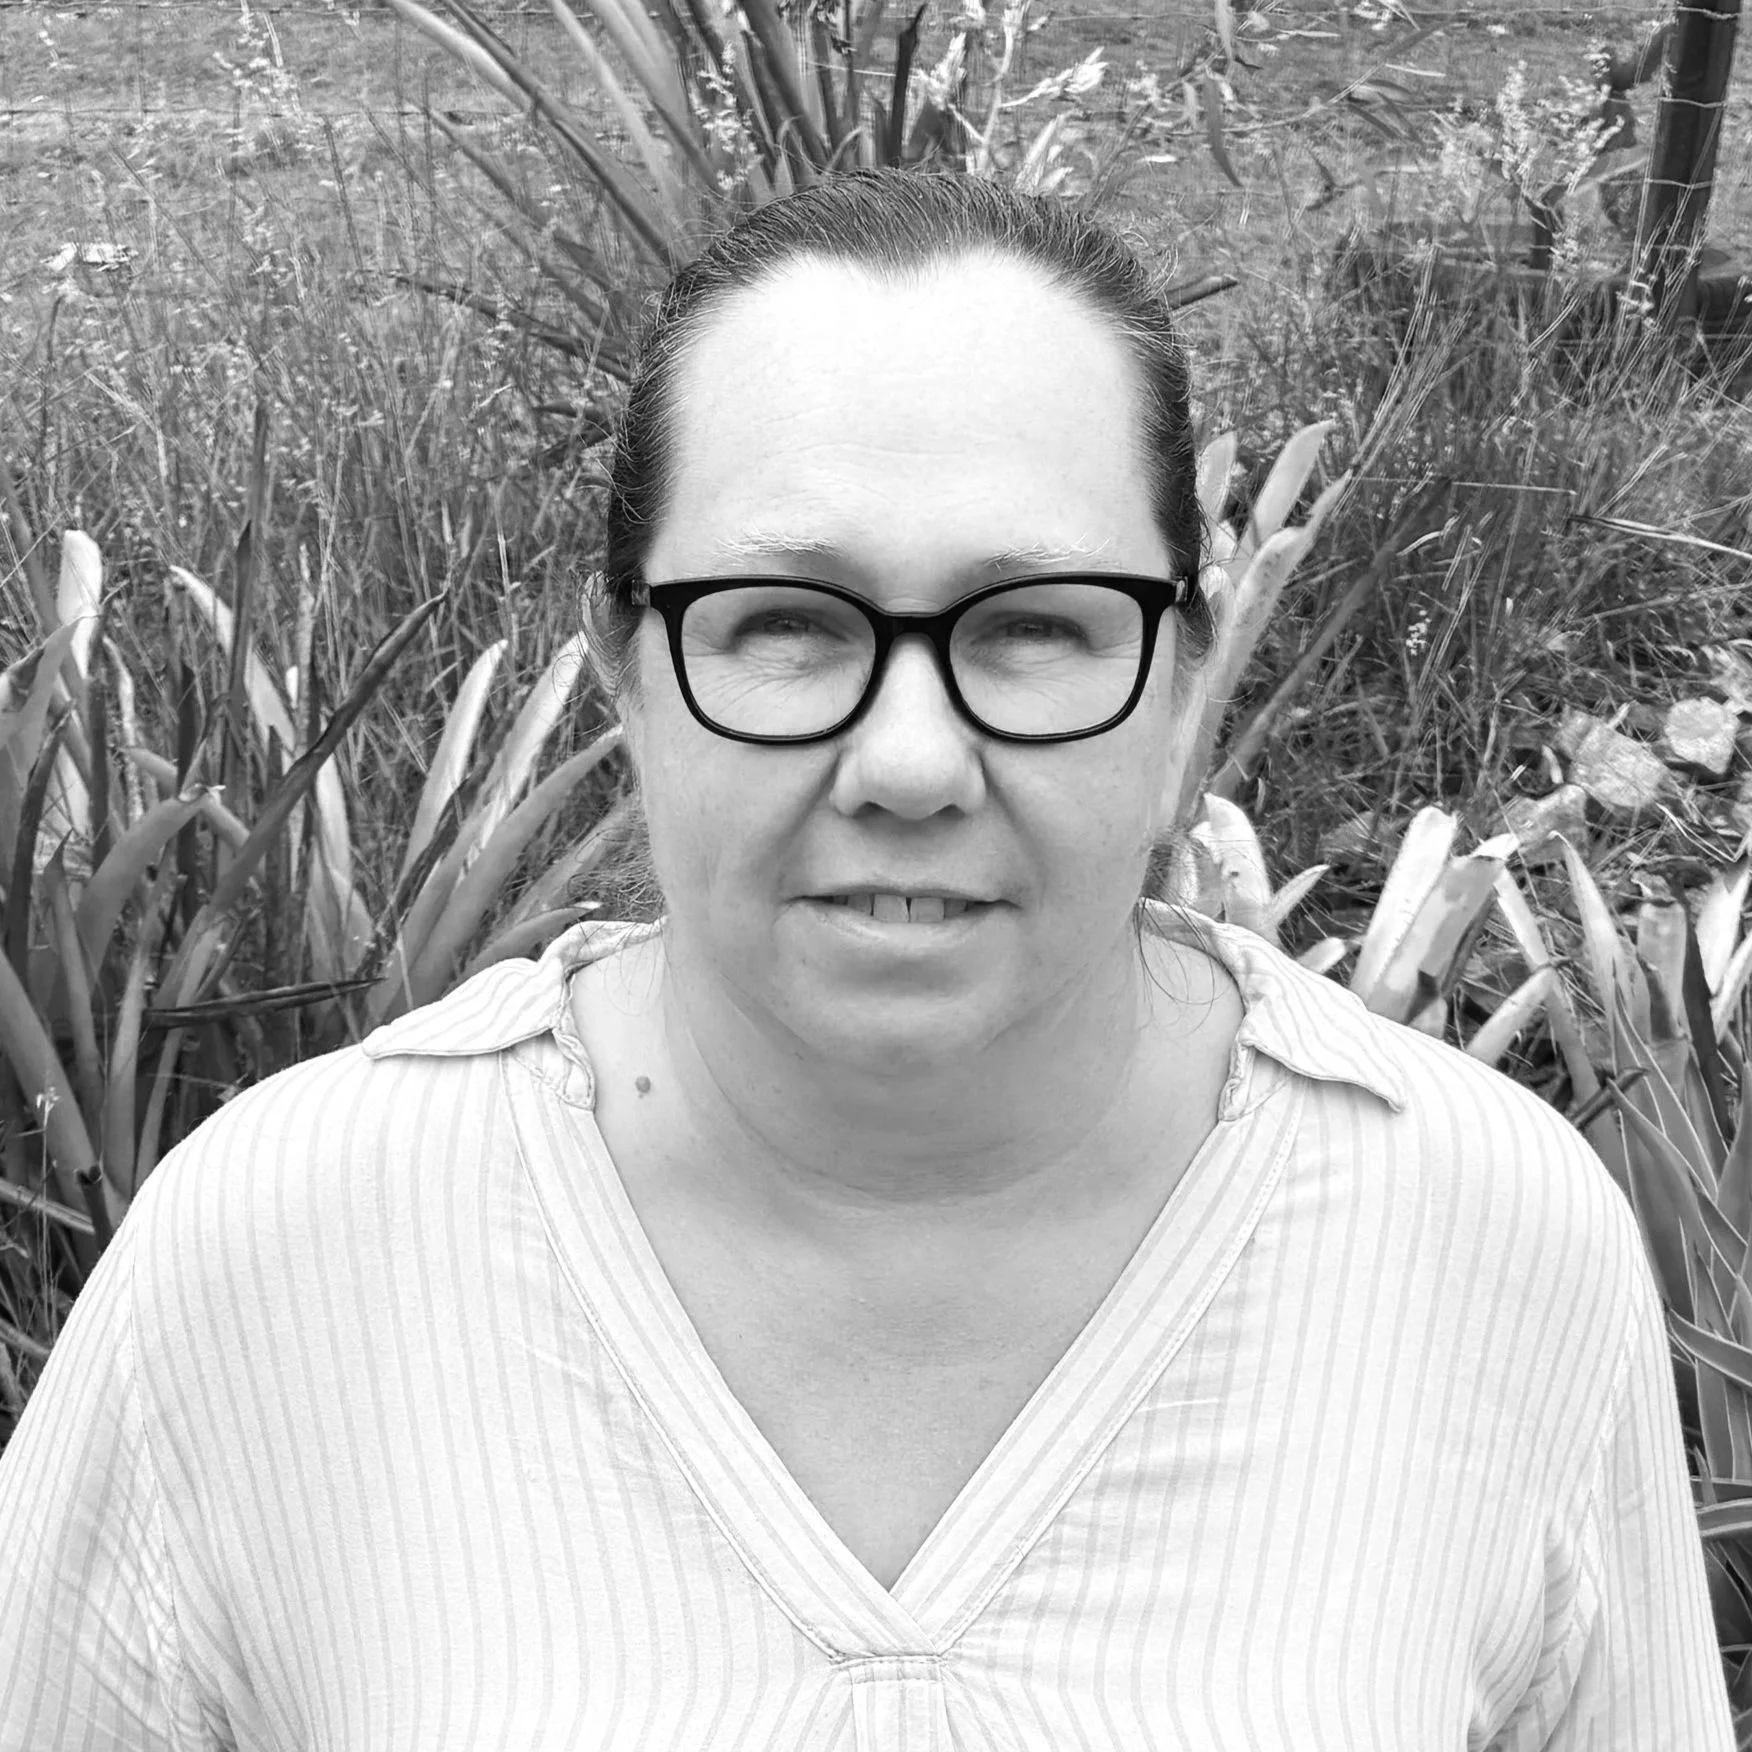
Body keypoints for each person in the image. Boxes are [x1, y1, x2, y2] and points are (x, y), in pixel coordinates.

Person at [0, 169, 1731, 1751]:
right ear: (625, 672)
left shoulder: (1484, 1244)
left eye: (1033, 626)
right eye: (786, 624)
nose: (910, 762)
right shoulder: (271, 1267)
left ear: (1183, 682)